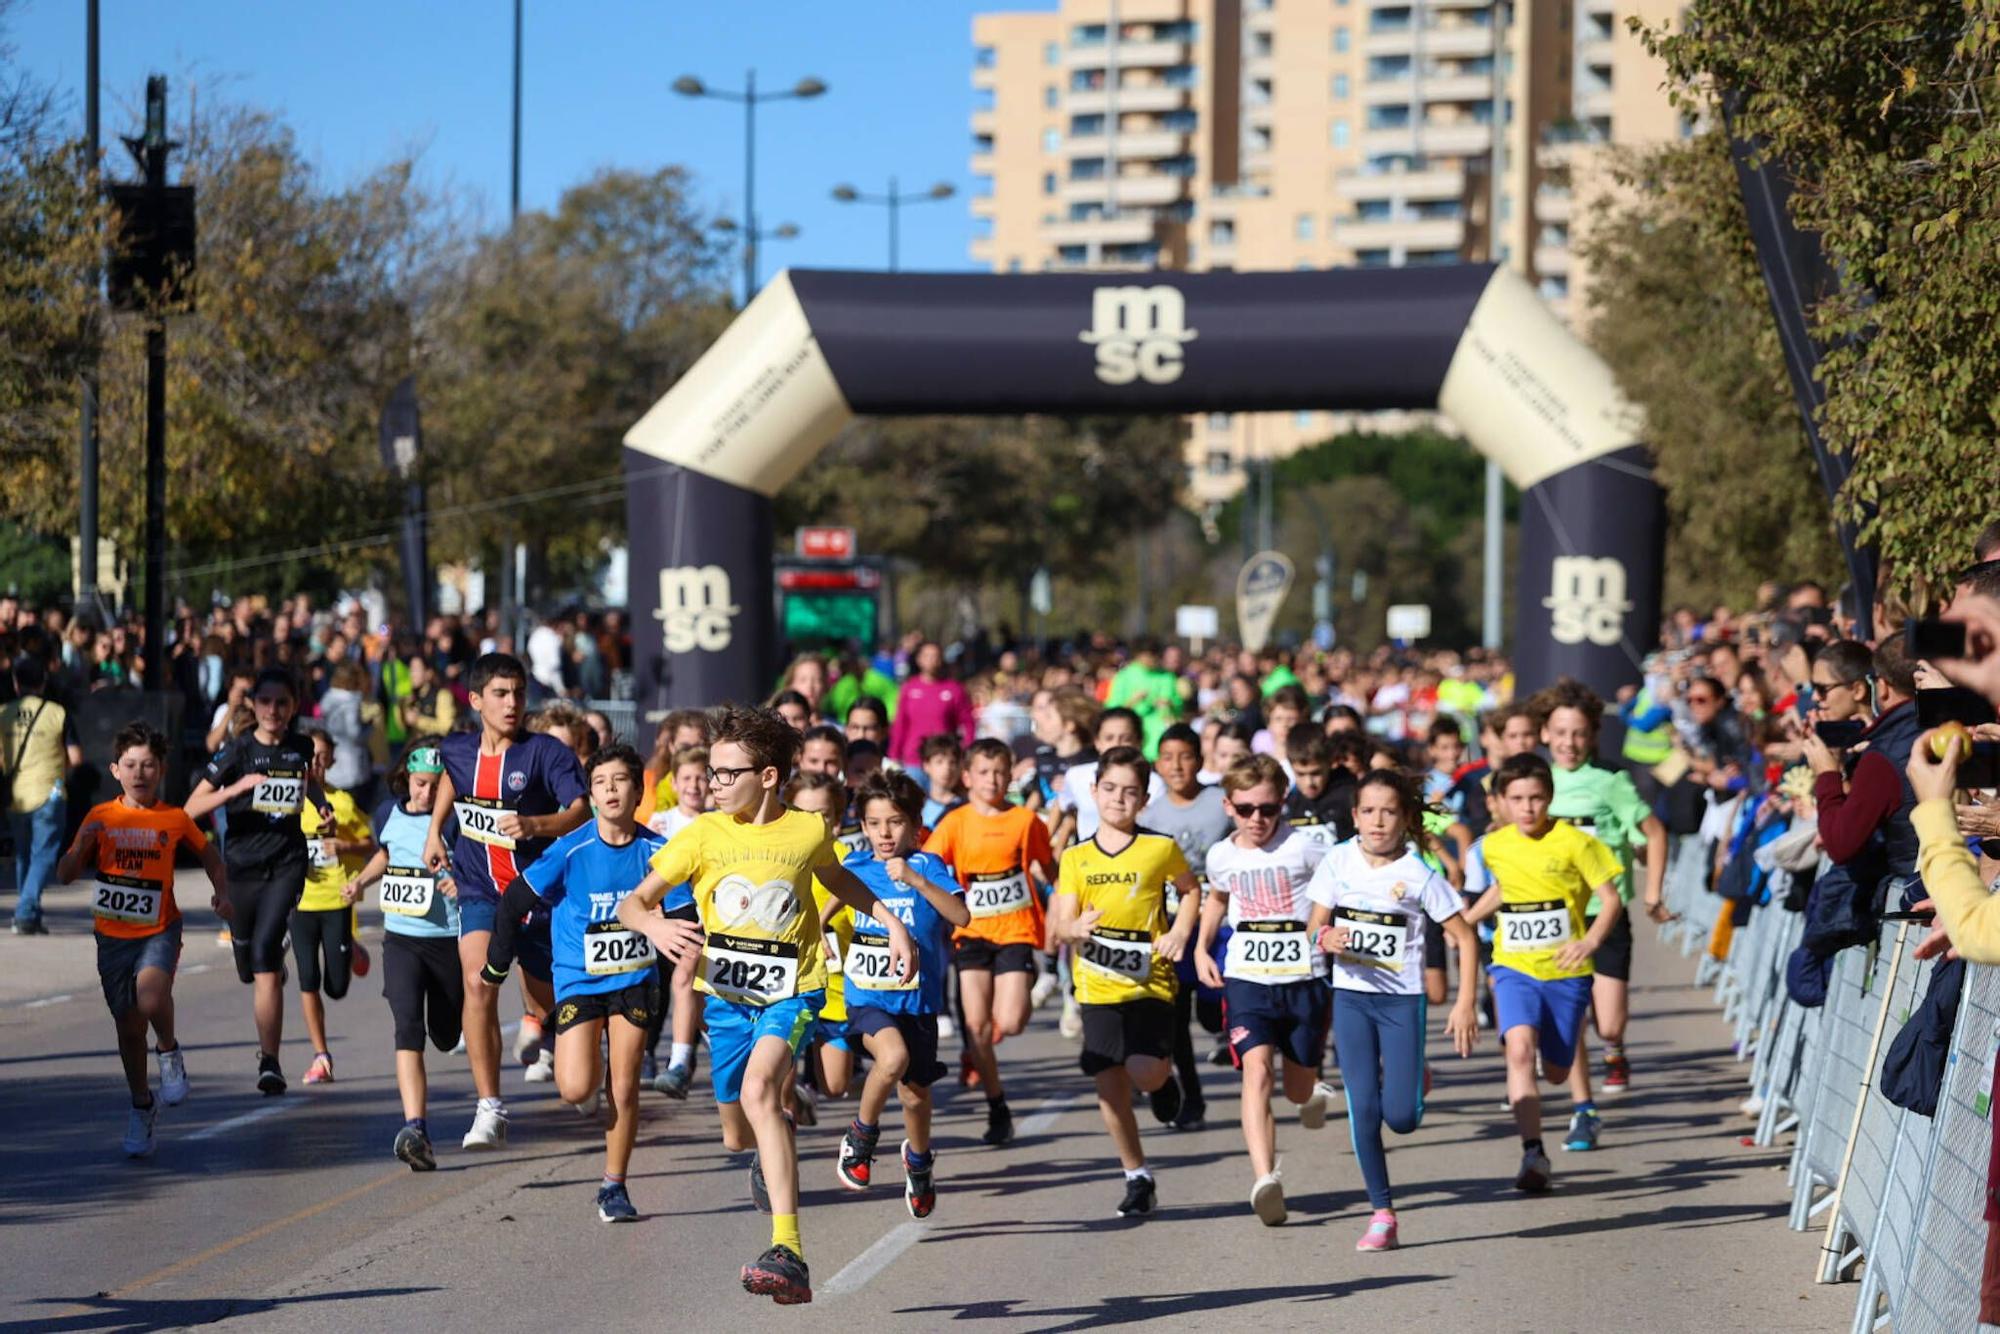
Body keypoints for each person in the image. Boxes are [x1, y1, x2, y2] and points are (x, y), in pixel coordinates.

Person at [615, 705, 916, 1305]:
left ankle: (789, 1250)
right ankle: (765, 1141)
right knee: (736, 1129)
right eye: (713, 774)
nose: (716, 784)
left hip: (793, 990)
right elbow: (634, 902)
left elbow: (839, 880)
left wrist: (890, 922)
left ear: (769, 776)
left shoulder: (806, 830)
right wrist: (655, 928)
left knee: (758, 1092)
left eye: (729, 774)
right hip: (724, 1001)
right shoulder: (701, 834)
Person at [481, 743, 665, 1223]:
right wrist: (496, 965)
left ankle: (614, 1186)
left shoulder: (658, 851)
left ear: (637, 789)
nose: (609, 790)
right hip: (579, 980)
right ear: (591, 792)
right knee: (575, 1087)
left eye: (619, 780)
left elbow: (686, 913)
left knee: (624, 1089)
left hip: (633, 977)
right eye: (600, 782)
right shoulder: (571, 847)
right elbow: (513, 900)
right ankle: (585, 1064)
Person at [1304, 769, 1480, 1248]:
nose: (1378, 822)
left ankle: (1414, 1074)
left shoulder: (1419, 873)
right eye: (1368, 811)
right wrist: (1325, 937)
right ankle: (1382, 1212)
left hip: (1402, 1001)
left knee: (1401, 1117)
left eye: (1389, 812)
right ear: (1355, 815)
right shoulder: (1338, 861)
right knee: (1363, 1107)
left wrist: (1464, 1003)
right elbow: (1313, 924)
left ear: (1405, 819)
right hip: (1352, 999)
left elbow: (1464, 937)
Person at [421, 653, 590, 1150]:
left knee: (550, 1003)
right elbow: (452, 777)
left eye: (518, 692)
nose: (512, 702)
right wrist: (435, 831)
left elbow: (580, 810)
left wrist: (536, 825)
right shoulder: (457, 749)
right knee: (478, 983)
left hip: (537, 891)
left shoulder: (546, 753)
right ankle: (490, 1106)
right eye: (500, 693)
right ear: (475, 701)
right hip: (478, 887)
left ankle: (579, 1055)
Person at [56, 723, 229, 1156]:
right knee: (129, 1028)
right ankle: (141, 1105)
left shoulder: (174, 818)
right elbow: (64, 874)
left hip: (160, 928)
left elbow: (210, 856)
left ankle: (169, 1053)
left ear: (161, 769)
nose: (139, 773)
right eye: (130, 765)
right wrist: (80, 852)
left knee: (151, 1000)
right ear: (115, 770)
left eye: (148, 765)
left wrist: (222, 892)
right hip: (113, 937)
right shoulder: (101, 817)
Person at [1048, 746, 1201, 1219]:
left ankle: (1163, 1082)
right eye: (1110, 789)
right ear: (1094, 793)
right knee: (1108, 1080)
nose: (1118, 799)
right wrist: (1076, 929)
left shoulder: (1160, 848)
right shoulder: (1075, 858)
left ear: (1144, 799)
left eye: (1129, 792)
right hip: (1095, 984)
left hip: (1149, 981)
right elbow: (1063, 924)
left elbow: (1191, 890)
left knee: (1143, 1072)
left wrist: (1178, 932)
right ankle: (1136, 1174)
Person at [1463, 753, 1624, 1194]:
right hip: (1513, 967)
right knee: (1518, 1049)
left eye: (1536, 798)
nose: (1528, 808)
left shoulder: (1575, 842)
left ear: (1549, 797)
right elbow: (1503, 890)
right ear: (1501, 802)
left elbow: (1609, 899)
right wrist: (1464, 921)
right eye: (1517, 799)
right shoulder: (1494, 846)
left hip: (1566, 971)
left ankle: (1557, 1076)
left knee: (1555, 1071)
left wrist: (1589, 942)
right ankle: (1533, 1151)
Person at [1196, 754, 1335, 1225]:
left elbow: (1339, 893)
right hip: (1247, 978)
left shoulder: (1309, 848)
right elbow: (1216, 899)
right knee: (1256, 1072)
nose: (1258, 819)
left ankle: (1311, 1090)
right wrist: (1200, 949)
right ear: (1228, 807)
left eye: (1268, 809)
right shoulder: (1222, 855)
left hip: (1305, 979)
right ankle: (1264, 1179)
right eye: (1246, 809)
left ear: (1284, 804)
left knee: (1296, 1090)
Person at [186, 667, 333, 1095]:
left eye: (282, 702)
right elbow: (190, 808)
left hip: (287, 863)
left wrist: (321, 807)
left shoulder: (301, 747)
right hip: (242, 866)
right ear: (254, 704)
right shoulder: (237, 751)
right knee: (248, 962)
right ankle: (254, 953)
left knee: (266, 955)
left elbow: (311, 787)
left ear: (292, 706)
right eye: (265, 701)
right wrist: (234, 791)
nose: (273, 710)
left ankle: (270, 1062)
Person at [833, 770, 971, 1219]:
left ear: (914, 824)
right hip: (868, 998)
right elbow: (820, 916)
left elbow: (961, 916)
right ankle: (860, 1137)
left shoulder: (928, 866)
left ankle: (919, 1161)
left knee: (915, 1096)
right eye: (874, 823)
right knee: (889, 1059)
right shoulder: (855, 868)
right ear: (863, 826)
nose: (884, 833)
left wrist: (915, 880)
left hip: (918, 1002)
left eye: (894, 822)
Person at [1533, 680, 1669, 1115]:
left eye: (1578, 733)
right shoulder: (1537, 783)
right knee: (1573, 1017)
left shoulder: (1611, 781)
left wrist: (1651, 892)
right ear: (1545, 735)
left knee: (1608, 1024)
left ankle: (1615, 1049)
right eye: (1560, 732)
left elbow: (1653, 832)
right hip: (1556, 916)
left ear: (1591, 736)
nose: (1569, 743)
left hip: (1605, 914)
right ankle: (1582, 1106)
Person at [926, 736, 1056, 1147]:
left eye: (1001, 771)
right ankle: (997, 1105)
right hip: (972, 933)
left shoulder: (1024, 821)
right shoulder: (956, 822)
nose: (992, 780)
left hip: (1016, 930)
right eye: (983, 772)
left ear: (1010, 774)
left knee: (1012, 1021)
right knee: (977, 1027)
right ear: (967, 777)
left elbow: (1048, 867)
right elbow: (928, 865)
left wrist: (1062, 911)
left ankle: (1019, 988)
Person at [1140, 722, 1233, 1131]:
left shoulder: (1221, 802)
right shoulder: (1152, 813)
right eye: (1168, 758)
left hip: (1219, 922)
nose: (1177, 765)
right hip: (1173, 925)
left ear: (1200, 759)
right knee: (1175, 1020)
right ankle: (1191, 1099)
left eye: (1186, 756)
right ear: (1157, 764)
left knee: (1212, 1013)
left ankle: (1220, 1030)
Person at [294, 726, 379, 1085]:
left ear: (329, 760)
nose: (315, 761)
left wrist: (344, 847)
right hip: (299, 903)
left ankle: (352, 949)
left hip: (336, 900)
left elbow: (371, 843)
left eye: (321, 755)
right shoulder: (289, 803)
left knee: (337, 986)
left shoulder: (341, 802)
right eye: (309, 755)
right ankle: (321, 1055)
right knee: (308, 980)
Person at [783, 771, 857, 1126]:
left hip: (835, 991)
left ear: (837, 818)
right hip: (790, 988)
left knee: (836, 1085)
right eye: (804, 813)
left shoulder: (847, 859)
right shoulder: (779, 859)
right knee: (781, 1067)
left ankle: (805, 1091)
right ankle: (779, 1135)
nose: (814, 823)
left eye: (823, 815)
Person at [644, 745, 710, 1097]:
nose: (694, 785)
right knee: (689, 988)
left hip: (709, 918)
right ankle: (681, 1056)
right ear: (674, 781)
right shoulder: (662, 823)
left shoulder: (720, 820)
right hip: (667, 918)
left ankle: (681, 1063)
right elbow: (648, 870)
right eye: (686, 778)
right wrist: (653, 911)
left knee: (691, 981)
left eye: (702, 777)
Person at [2, 654, 81, 935]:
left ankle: (30, 915)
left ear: (15, 683)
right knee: (44, 856)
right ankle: (25, 912)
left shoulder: (3, 714)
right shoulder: (57, 713)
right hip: (50, 792)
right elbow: (76, 757)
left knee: (25, 855)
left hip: (15, 796)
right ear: (43, 682)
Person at [887, 641, 976, 768]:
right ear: (919, 659)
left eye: (935, 656)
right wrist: (894, 754)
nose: (931, 660)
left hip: (944, 761)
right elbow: (900, 723)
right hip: (913, 760)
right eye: (927, 656)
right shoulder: (909, 688)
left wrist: (967, 750)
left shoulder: (954, 689)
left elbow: (968, 722)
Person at [1283, 730, 1355, 852]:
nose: (1309, 783)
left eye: (1316, 773)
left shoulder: (1350, 797)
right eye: (1300, 774)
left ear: (1330, 764)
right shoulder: (1290, 803)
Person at [918, 734, 967, 829]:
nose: (947, 768)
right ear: (926, 765)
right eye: (939, 762)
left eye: (952, 762)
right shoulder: (917, 806)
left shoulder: (967, 807)